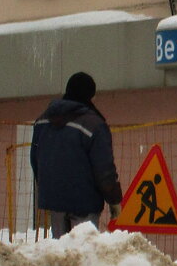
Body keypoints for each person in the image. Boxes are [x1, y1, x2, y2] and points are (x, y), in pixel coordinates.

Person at [30, 72, 123, 237]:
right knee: (83, 254)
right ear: (89, 96)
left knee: (61, 254)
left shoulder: (43, 121)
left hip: (54, 200)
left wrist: (48, 186)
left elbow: (35, 159)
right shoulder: (94, 125)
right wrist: (114, 199)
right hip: (85, 202)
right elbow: (104, 169)